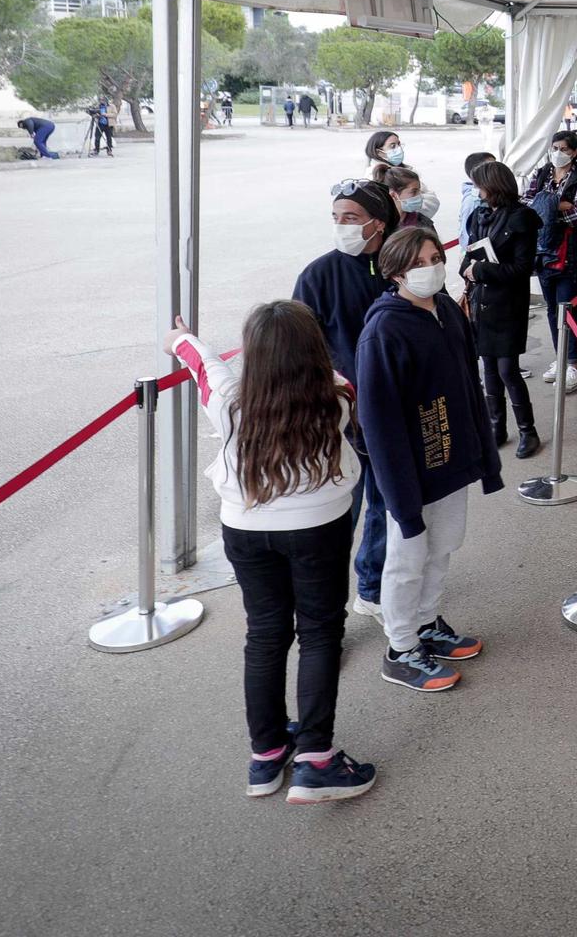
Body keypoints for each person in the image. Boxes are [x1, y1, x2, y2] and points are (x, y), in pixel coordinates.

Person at [164, 301, 376, 805]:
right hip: (319, 526)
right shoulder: (337, 396)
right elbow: (341, 375)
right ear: (313, 352)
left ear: (254, 355)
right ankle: (316, 760)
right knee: (320, 633)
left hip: (244, 529)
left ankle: (266, 754)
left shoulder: (230, 402)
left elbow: (202, 364)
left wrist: (179, 338)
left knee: (265, 634)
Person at [357, 227, 503, 693]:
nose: (431, 267)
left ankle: (424, 624)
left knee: (443, 547)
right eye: (418, 262)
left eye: (434, 257)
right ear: (396, 270)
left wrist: (482, 453)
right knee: (407, 556)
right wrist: (400, 495)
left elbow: (468, 384)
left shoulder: (445, 311)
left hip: (452, 459)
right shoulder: (384, 328)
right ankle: (400, 647)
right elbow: (378, 421)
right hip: (411, 473)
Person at [294, 179, 401, 620]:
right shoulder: (318, 275)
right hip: (343, 417)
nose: (342, 227)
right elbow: (300, 349)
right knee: (341, 510)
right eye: (337, 218)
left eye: (351, 219)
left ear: (378, 224)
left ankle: (372, 588)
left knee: (385, 503)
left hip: (393, 410)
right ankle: (323, 610)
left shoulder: (402, 265)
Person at [461, 161, 543, 459]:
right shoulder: (479, 216)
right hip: (481, 304)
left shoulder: (523, 219)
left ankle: (527, 431)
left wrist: (480, 270)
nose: (476, 190)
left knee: (508, 369)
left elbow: (522, 269)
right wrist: (470, 271)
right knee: (489, 370)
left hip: (508, 304)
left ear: (493, 186)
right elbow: (467, 257)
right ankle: (496, 427)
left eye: (479, 184)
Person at [523, 130, 577, 386]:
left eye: (565, 149)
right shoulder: (543, 173)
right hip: (543, 251)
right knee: (553, 309)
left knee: (568, 306)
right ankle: (560, 356)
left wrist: (546, 205)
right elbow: (526, 202)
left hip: (572, 252)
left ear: (575, 152)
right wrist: (557, 204)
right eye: (556, 147)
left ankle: (573, 363)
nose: (559, 153)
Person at [374, 162, 436, 237]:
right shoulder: (377, 226)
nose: (420, 196)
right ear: (393, 195)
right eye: (414, 191)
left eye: (420, 191)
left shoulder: (423, 224)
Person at [458, 150, 495, 238]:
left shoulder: (490, 194)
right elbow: (467, 235)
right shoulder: (473, 200)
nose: (497, 170)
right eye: (490, 167)